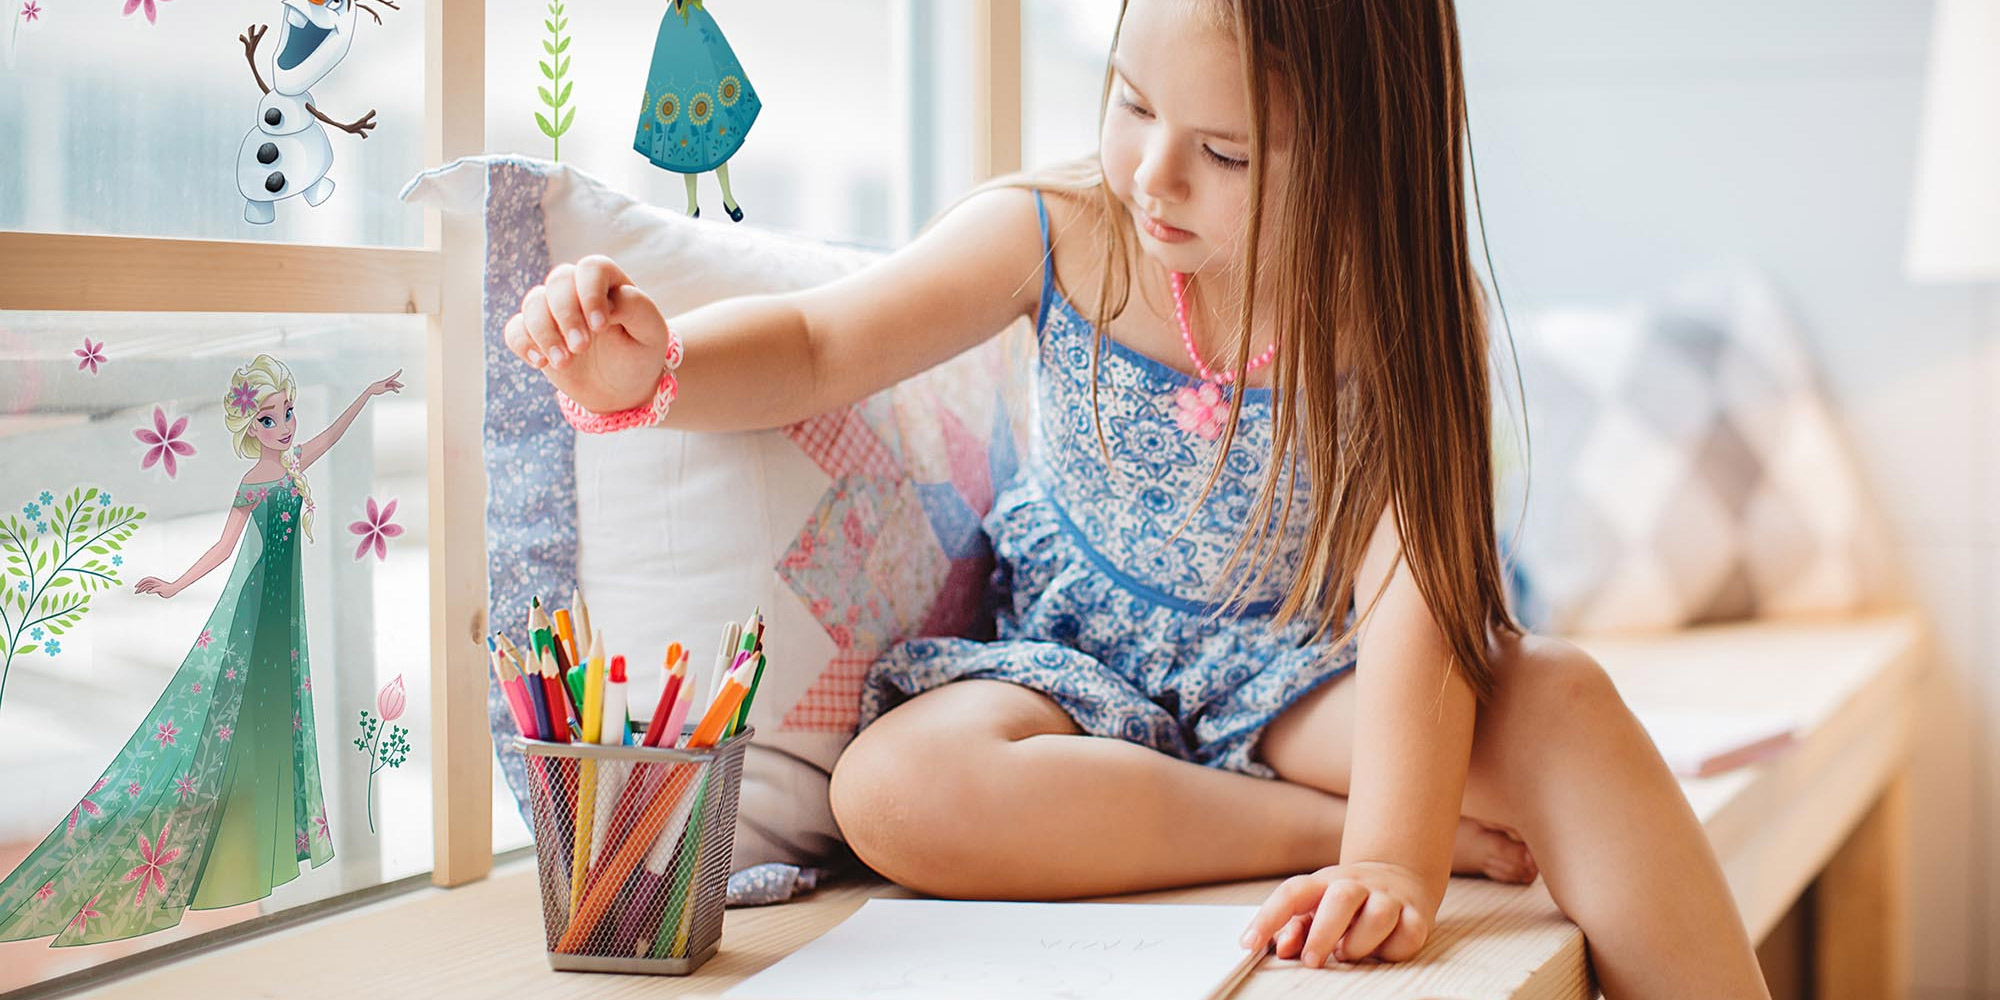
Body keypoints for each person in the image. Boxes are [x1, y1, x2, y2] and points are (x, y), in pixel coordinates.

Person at [500, 0, 1770, 993]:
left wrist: (1395, 856)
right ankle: (1293, 831)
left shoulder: (1402, 315)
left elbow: (1416, 604)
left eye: (1220, 151)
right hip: (1072, 663)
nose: (1151, 174)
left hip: (1297, 671)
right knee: (890, 795)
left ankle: (1360, 825)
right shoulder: (1062, 228)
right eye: (1130, 103)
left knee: (1568, 707)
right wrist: (655, 367)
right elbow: (824, 346)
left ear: (1359, 158)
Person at [0, 356, 402, 946]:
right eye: (271, 420)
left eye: (288, 414)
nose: (286, 426)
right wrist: (173, 585)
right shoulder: (254, 485)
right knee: (225, 724)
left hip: (283, 616)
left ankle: (267, 846)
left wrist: (367, 388)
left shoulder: (291, 468)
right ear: (250, 429)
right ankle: (211, 849)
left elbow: (333, 433)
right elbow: (222, 550)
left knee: (275, 722)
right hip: (258, 608)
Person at [633, 0, 760, 220]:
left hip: (699, 47)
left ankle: (727, 197)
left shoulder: (697, 12)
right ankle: (692, 205)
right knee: (684, 136)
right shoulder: (672, 18)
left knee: (717, 131)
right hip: (677, 47)